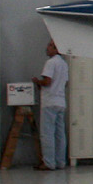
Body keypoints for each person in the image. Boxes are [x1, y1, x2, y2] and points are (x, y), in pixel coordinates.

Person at [34, 39, 69, 170]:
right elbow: (65, 83)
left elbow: (47, 81)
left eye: (50, 46)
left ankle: (48, 163)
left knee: (47, 133)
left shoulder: (50, 62)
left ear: (56, 49)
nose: (47, 47)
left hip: (49, 102)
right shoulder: (64, 64)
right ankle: (60, 162)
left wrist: (38, 81)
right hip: (60, 102)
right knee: (60, 134)